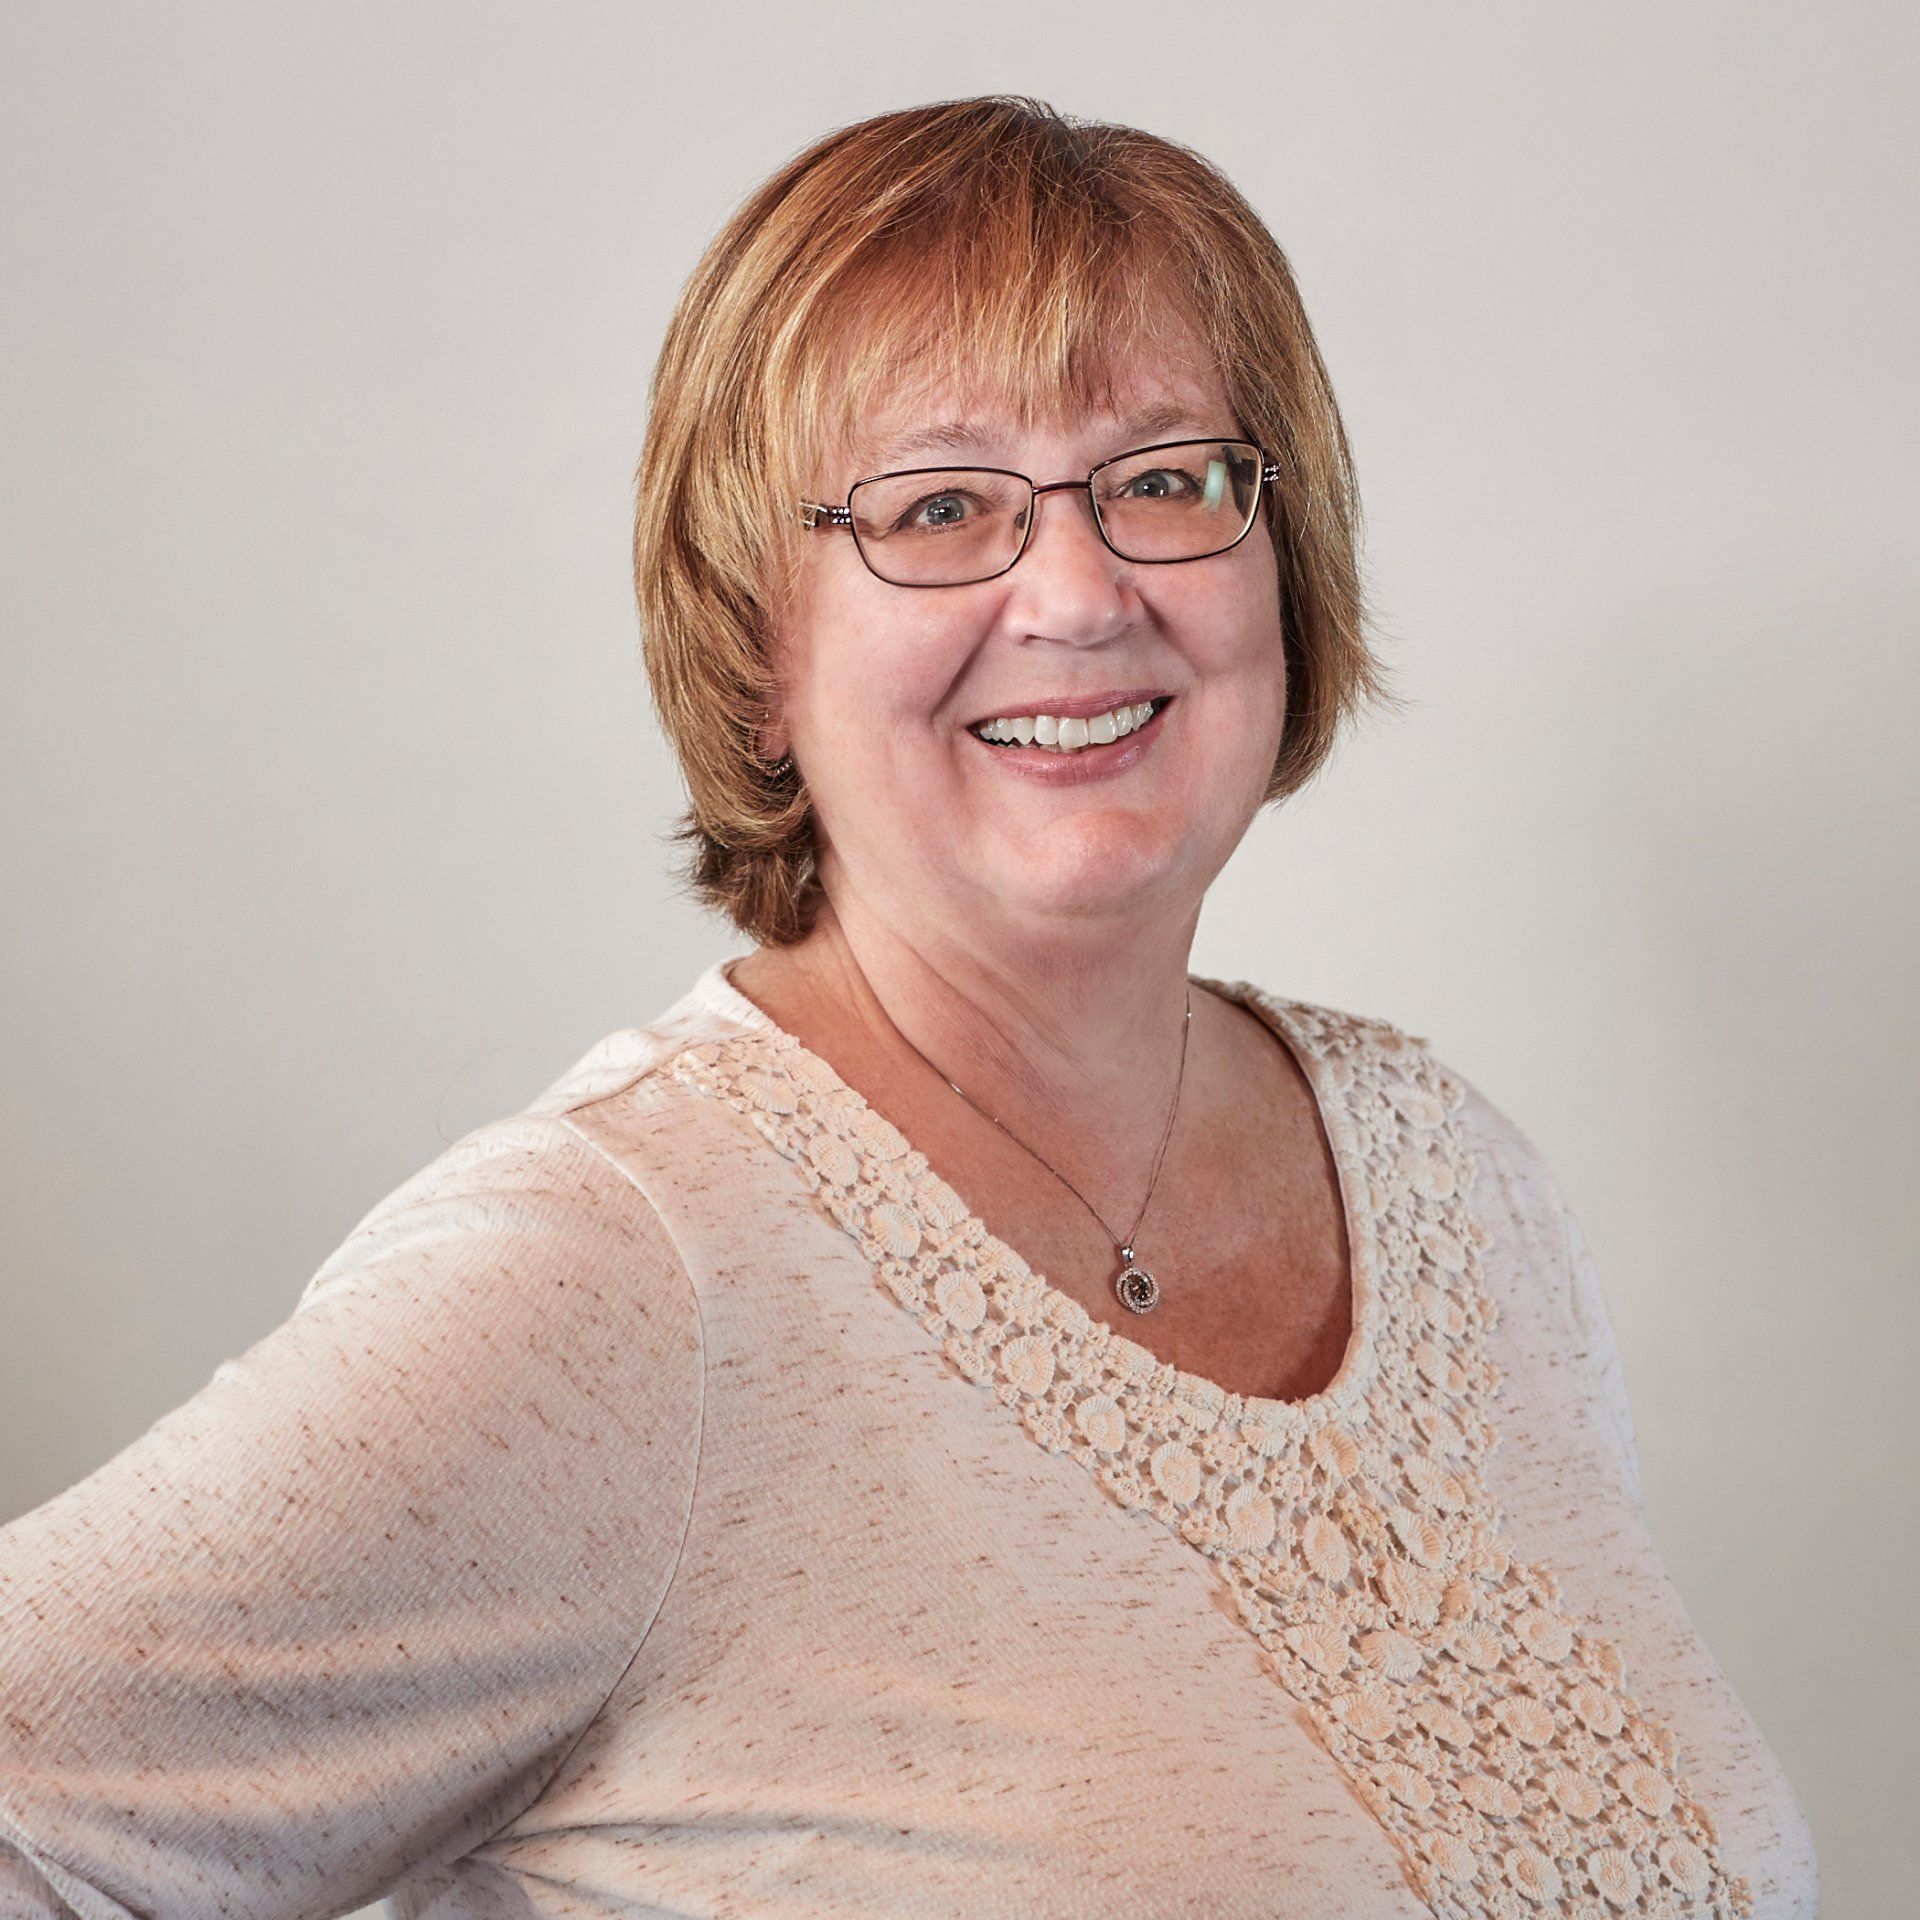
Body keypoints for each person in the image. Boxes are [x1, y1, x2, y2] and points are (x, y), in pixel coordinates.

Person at [0, 96, 1817, 1920]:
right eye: (941, 507)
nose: (1082, 592)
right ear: (758, 655)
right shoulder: (622, 1280)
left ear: (1285, 556)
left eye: (1164, 477)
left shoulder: (1455, 1181)